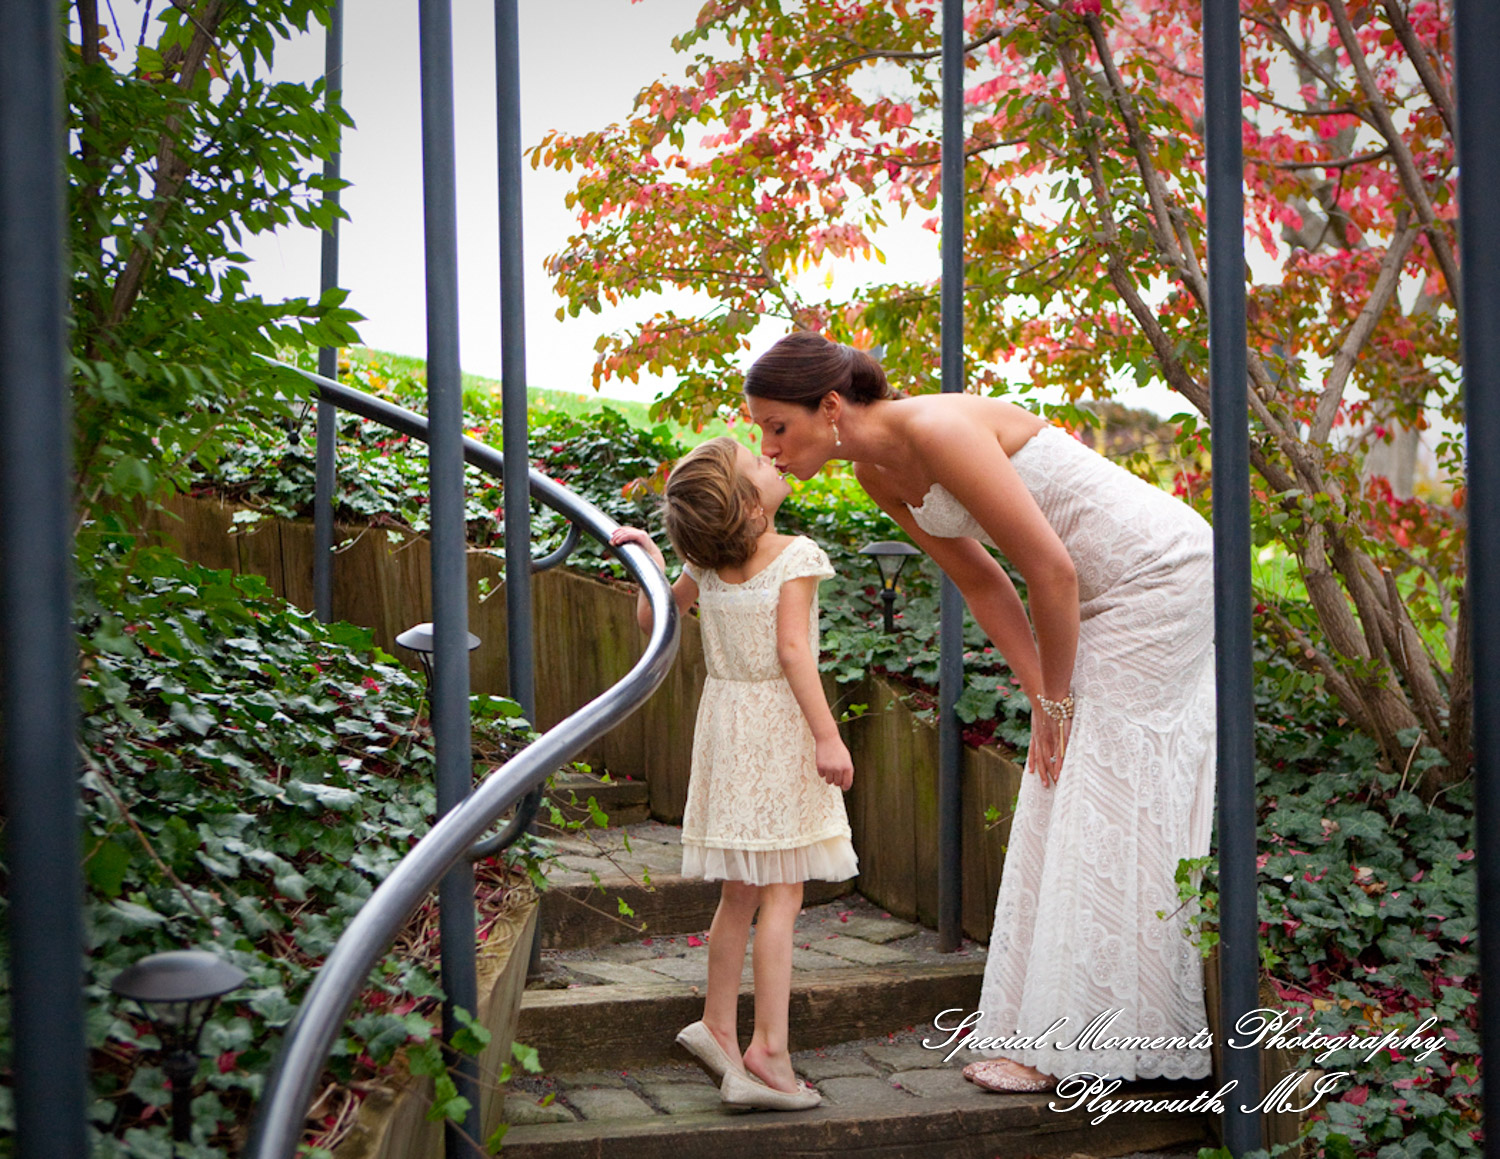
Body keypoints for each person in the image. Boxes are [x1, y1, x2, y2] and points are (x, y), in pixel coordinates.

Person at [744, 332, 1215, 1092]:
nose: (767, 447)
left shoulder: (935, 429)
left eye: (775, 425)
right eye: (759, 428)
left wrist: (1058, 700)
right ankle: (1066, 1028)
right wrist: (1041, 694)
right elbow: (983, 581)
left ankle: (1071, 1043)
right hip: (1091, 591)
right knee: (1060, 775)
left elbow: (1049, 569)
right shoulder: (874, 472)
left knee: (1092, 779)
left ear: (829, 406)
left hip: (1160, 575)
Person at [609, 435, 857, 1111]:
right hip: (776, 727)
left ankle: (718, 1023)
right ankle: (767, 1052)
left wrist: (656, 565)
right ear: (747, 506)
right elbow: (792, 650)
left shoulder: (706, 562)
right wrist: (828, 736)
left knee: (741, 892)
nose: (771, 459)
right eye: (759, 463)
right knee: (782, 893)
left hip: (723, 725)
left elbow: (653, 618)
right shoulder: (796, 554)